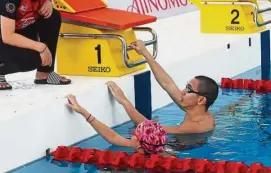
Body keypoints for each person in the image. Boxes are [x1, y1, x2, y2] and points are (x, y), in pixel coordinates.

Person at [66, 40, 219, 154]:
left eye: (189, 89)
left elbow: (147, 128)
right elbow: (167, 84)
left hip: (175, 149)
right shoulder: (196, 109)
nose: (183, 91)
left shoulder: (196, 126)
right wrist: (146, 53)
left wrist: (124, 101)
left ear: (201, 100)